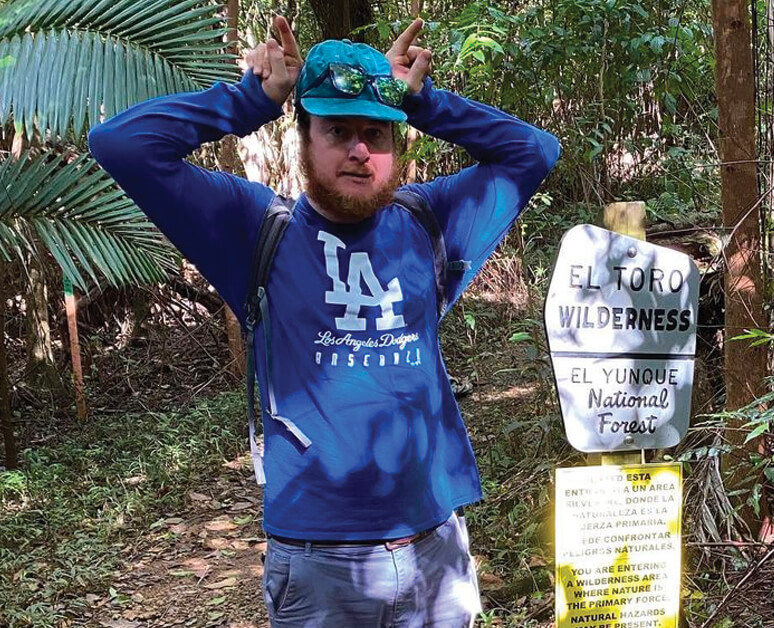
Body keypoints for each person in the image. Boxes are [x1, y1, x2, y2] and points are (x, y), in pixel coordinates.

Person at [89, 14, 560, 627]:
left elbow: (535, 151)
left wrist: (425, 103)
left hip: (435, 548)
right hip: (319, 562)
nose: (360, 151)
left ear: (397, 145)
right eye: (338, 131)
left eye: (376, 133)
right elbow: (122, 145)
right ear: (304, 138)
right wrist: (250, 101)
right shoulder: (254, 228)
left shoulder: (433, 221)